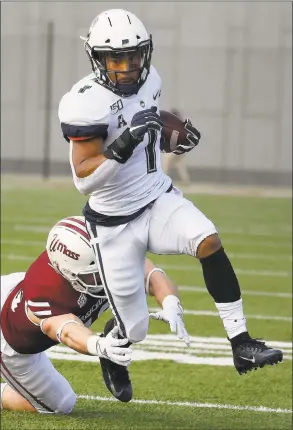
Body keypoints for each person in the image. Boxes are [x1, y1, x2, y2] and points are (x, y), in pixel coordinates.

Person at [58, 8, 283, 401]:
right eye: (116, 58)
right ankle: (115, 344)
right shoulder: (85, 103)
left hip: (156, 198)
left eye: (134, 56)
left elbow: (149, 120)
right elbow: (84, 178)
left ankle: (241, 343)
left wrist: (171, 135)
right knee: (137, 329)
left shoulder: (152, 79)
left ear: (146, 52)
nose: (127, 66)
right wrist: (126, 142)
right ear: (98, 58)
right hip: (113, 225)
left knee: (208, 240)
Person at [0, 216, 189, 413]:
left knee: (133, 298)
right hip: (9, 339)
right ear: (69, 273)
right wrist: (98, 345)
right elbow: (68, 330)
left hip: (13, 290)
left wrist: (169, 300)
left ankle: (118, 341)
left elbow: (150, 273)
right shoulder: (44, 295)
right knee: (61, 404)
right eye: (96, 272)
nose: (107, 274)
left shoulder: (98, 256)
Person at [161, 109, 191, 185]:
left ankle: (162, 180)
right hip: (180, 149)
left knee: (166, 161)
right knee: (180, 165)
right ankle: (186, 180)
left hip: (175, 149)